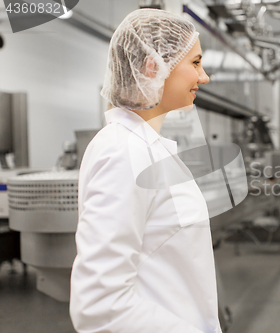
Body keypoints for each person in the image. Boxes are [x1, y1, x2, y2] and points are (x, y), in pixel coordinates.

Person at [70, 9, 222, 333]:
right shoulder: (123, 151)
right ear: (154, 66)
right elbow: (99, 307)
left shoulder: (144, 146)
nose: (204, 76)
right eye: (195, 63)